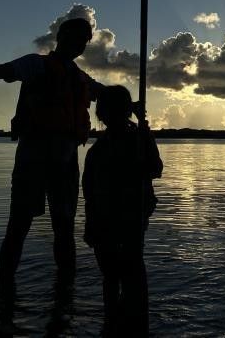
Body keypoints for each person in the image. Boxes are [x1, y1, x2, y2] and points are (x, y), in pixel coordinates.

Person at [0, 17, 105, 285]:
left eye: (84, 41)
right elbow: (1, 71)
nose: (79, 44)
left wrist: (132, 106)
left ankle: (65, 289)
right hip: (33, 159)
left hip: (66, 163)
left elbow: (107, 95)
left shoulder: (80, 78)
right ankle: (5, 286)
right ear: (61, 36)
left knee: (64, 227)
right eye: (75, 37)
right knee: (19, 225)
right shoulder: (36, 64)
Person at [83, 85, 163, 336]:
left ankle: (128, 320)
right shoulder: (98, 150)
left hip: (130, 217)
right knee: (114, 275)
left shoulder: (137, 140)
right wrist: (90, 224)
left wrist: (144, 128)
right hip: (106, 220)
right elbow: (89, 191)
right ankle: (115, 322)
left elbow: (155, 168)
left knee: (130, 274)